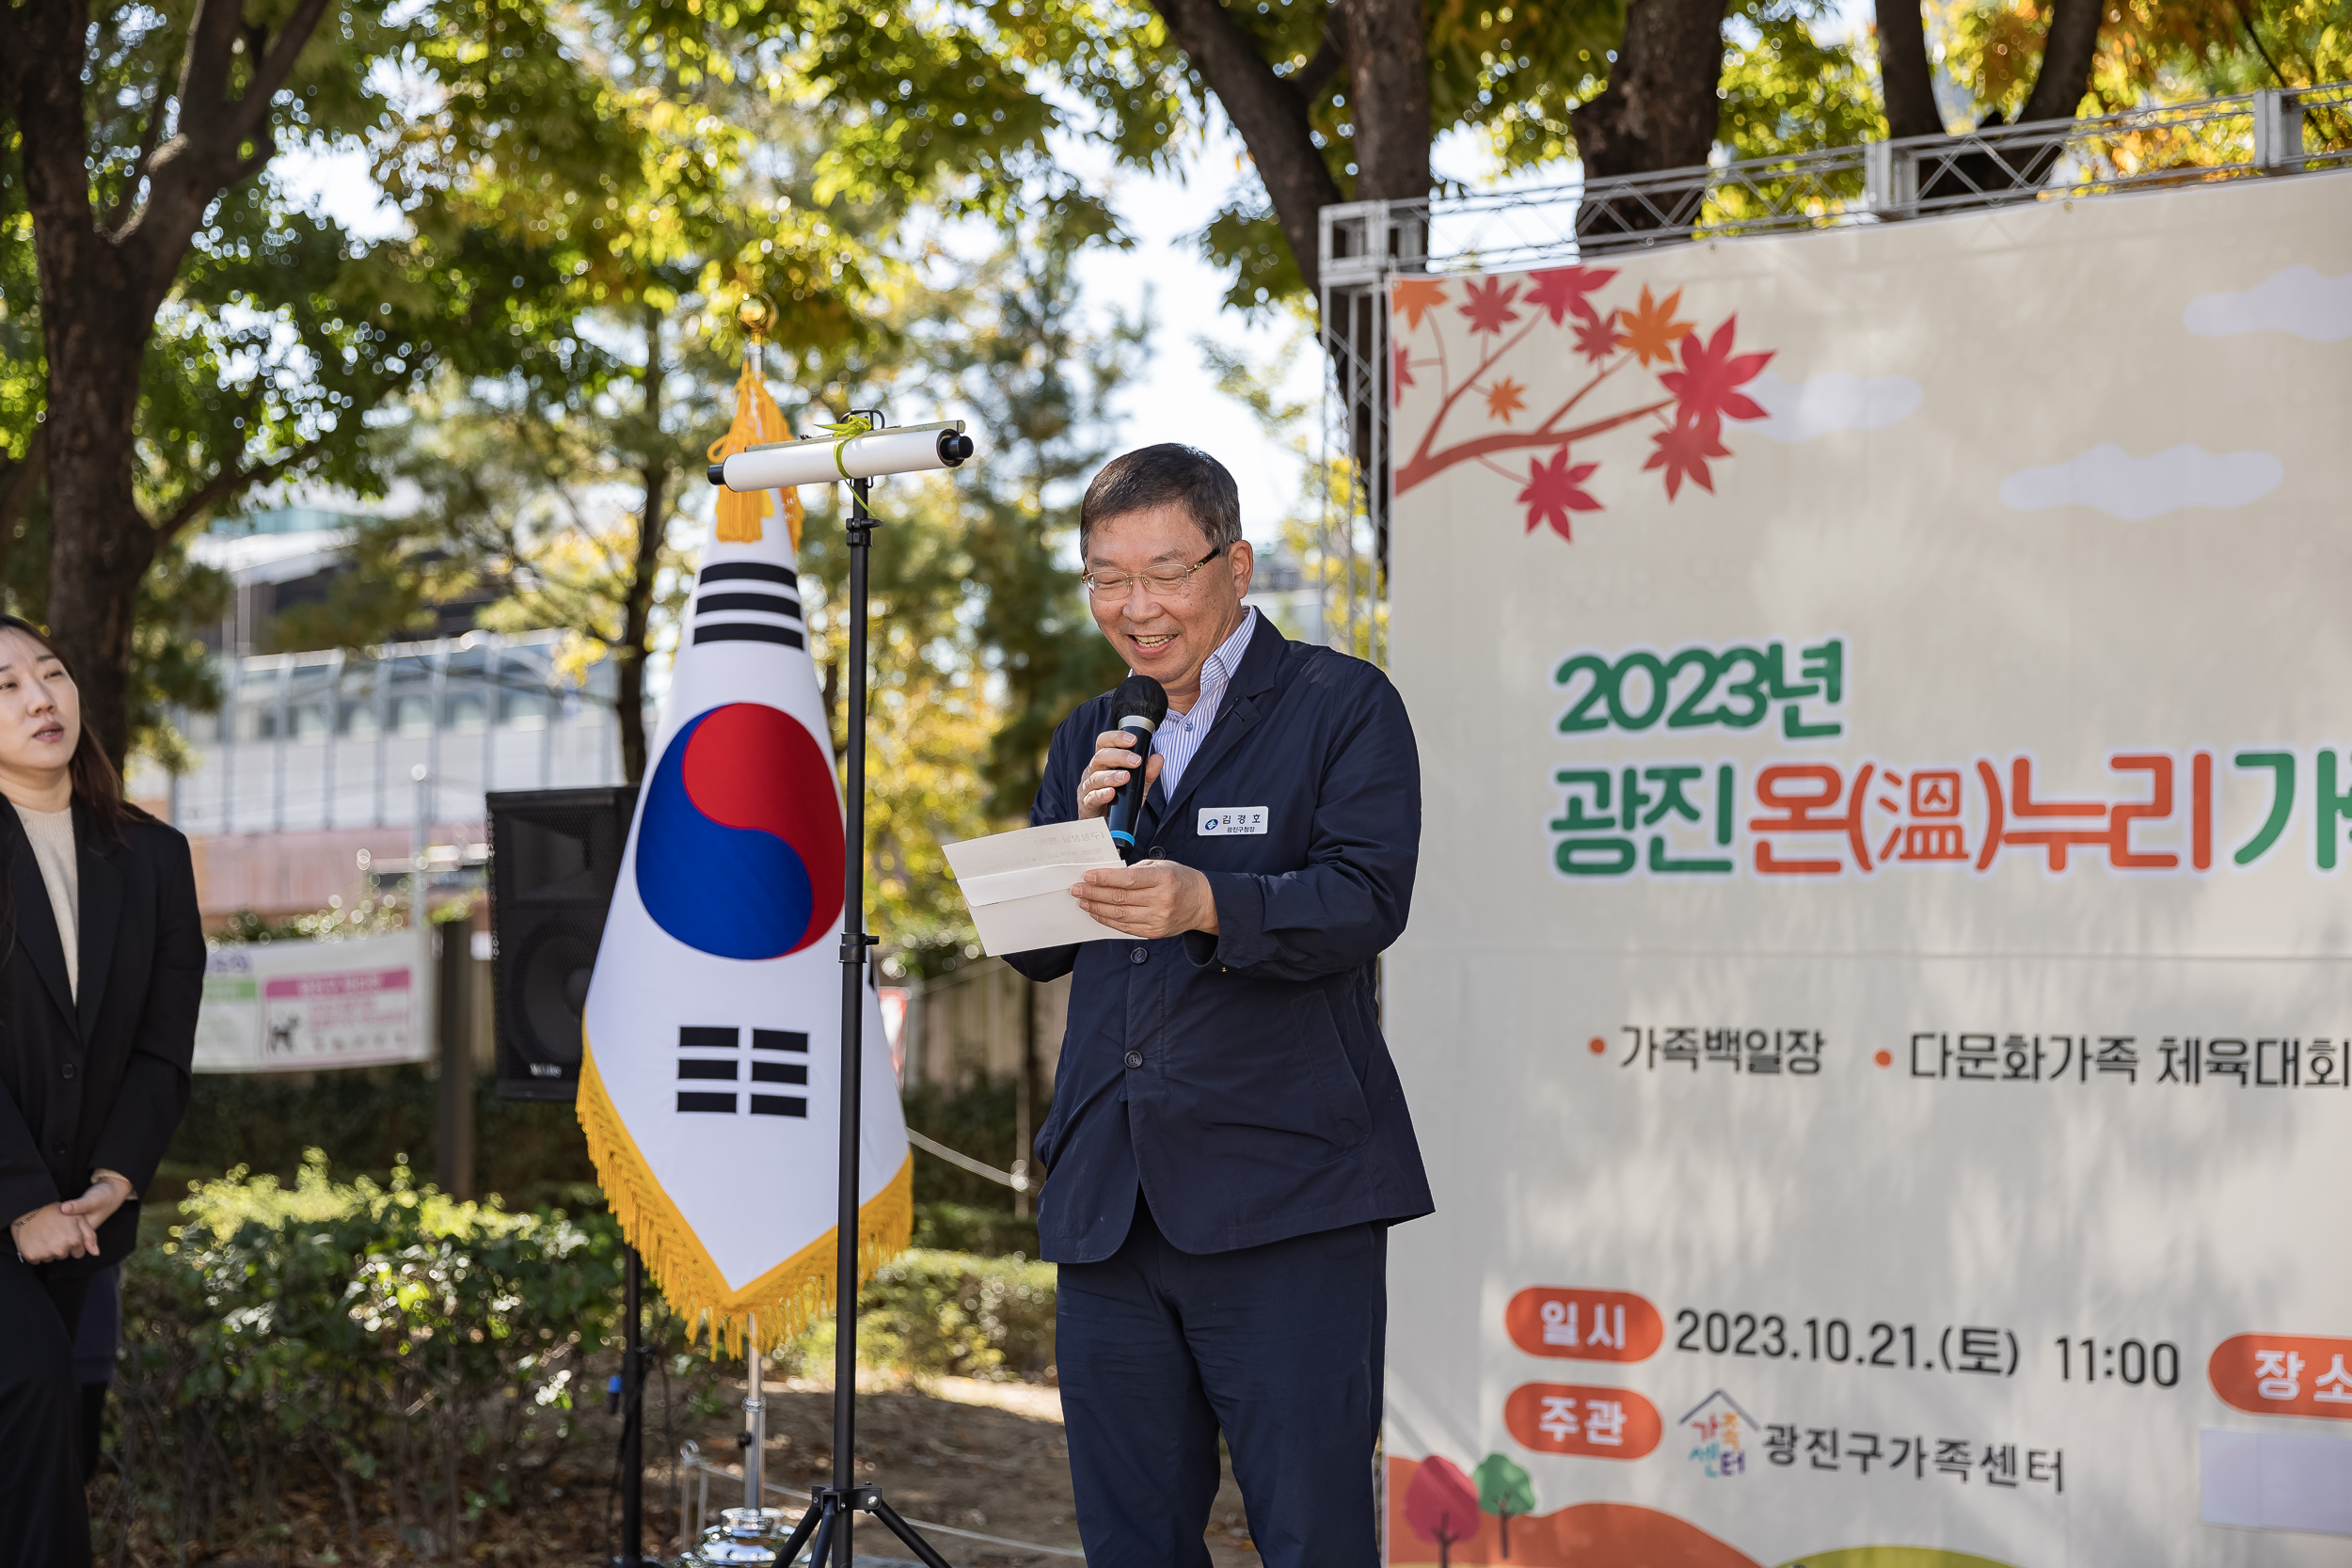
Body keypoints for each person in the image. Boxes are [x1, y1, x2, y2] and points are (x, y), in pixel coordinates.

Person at [1004, 445, 1432, 1568]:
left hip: (1286, 1198)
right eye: (1105, 577)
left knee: (1310, 1531)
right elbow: (1043, 950)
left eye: (1163, 572)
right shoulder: (1093, 735)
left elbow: (1365, 898)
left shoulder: (1342, 704)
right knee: (1130, 1538)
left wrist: (1205, 899)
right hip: (1110, 1205)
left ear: (1235, 564)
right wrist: (1078, 835)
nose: (1134, 608)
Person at [0, 617, 203, 1564]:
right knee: (35, 1386)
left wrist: (117, 1176)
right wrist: (22, 1199)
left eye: (49, 672)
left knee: (57, 1439)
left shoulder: (153, 856)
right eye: (5, 686)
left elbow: (162, 1047)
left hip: (84, 1210)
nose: (41, 697)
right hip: (15, 1203)